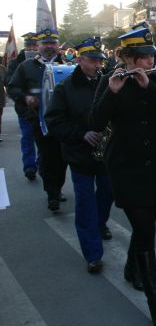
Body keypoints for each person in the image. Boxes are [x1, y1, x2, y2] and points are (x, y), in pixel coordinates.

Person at [91, 26, 156, 325]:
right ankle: (155, 303)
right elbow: (95, 121)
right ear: (128, 58)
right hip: (127, 167)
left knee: (145, 228)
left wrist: (150, 86)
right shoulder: (109, 81)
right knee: (146, 230)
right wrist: (112, 92)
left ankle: (132, 268)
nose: (148, 62)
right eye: (143, 58)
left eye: (150, 57)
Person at [44, 37, 114, 273]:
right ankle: (92, 253)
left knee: (107, 194)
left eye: (99, 60)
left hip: (105, 153)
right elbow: (54, 120)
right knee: (85, 202)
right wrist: (81, 134)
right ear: (80, 59)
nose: (97, 65)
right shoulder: (65, 88)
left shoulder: (106, 82)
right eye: (93, 60)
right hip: (79, 154)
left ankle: (100, 223)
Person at [8, 28, 68, 210]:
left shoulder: (67, 67)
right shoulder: (26, 67)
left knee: (62, 159)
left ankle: (56, 187)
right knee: (48, 157)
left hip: (63, 122)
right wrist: (26, 98)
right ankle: (52, 194)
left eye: (53, 43)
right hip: (39, 120)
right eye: (46, 43)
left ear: (58, 46)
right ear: (39, 46)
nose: (50, 47)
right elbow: (13, 88)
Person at [6, 32, 40, 179]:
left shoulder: (48, 60)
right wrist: (24, 97)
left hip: (45, 108)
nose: (31, 48)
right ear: (24, 46)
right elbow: (9, 83)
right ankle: (30, 167)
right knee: (27, 137)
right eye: (28, 45)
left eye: (34, 45)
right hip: (25, 107)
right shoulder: (16, 62)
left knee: (47, 143)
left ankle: (45, 170)